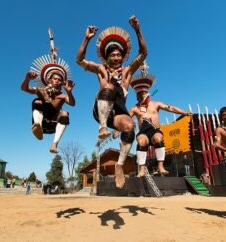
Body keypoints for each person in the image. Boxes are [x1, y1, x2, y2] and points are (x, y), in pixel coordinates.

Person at [76, 15, 147, 188]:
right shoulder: (101, 70)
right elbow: (79, 60)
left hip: (118, 113)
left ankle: (120, 165)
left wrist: (138, 31)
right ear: (107, 57)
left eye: (118, 55)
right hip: (101, 109)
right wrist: (86, 39)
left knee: (130, 127)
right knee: (108, 87)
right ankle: (102, 128)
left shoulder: (128, 72)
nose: (116, 57)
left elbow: (144, 53)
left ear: (122, 57)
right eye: (112, 55)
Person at [128, 63, 192, 177]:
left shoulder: (156, 104)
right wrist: (118, 130)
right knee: (141, 141)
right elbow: (126, 119)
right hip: (143, 132)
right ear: (136, 96)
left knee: (158, 138)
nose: (142, 96)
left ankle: (161, 166)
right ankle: (142, 169)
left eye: (144, 94)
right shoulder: (134, 108)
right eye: (139, 95)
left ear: (148, 94)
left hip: (155, 130)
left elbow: (171, 108)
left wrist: (184, 112)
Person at [21, 29, 76, 153]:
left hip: (53, 125)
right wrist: (27, 79)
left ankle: (54, 144)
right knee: (37, 101)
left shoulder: (62, 95)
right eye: (54, 79)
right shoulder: (41, 91)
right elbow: (24, 89)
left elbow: (72, 103)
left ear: (62, 82)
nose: (56, 81)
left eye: (59, 79)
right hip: (41, 121)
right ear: (49, 80)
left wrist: (69, 92)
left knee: (65, 113)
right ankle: (37, 125)